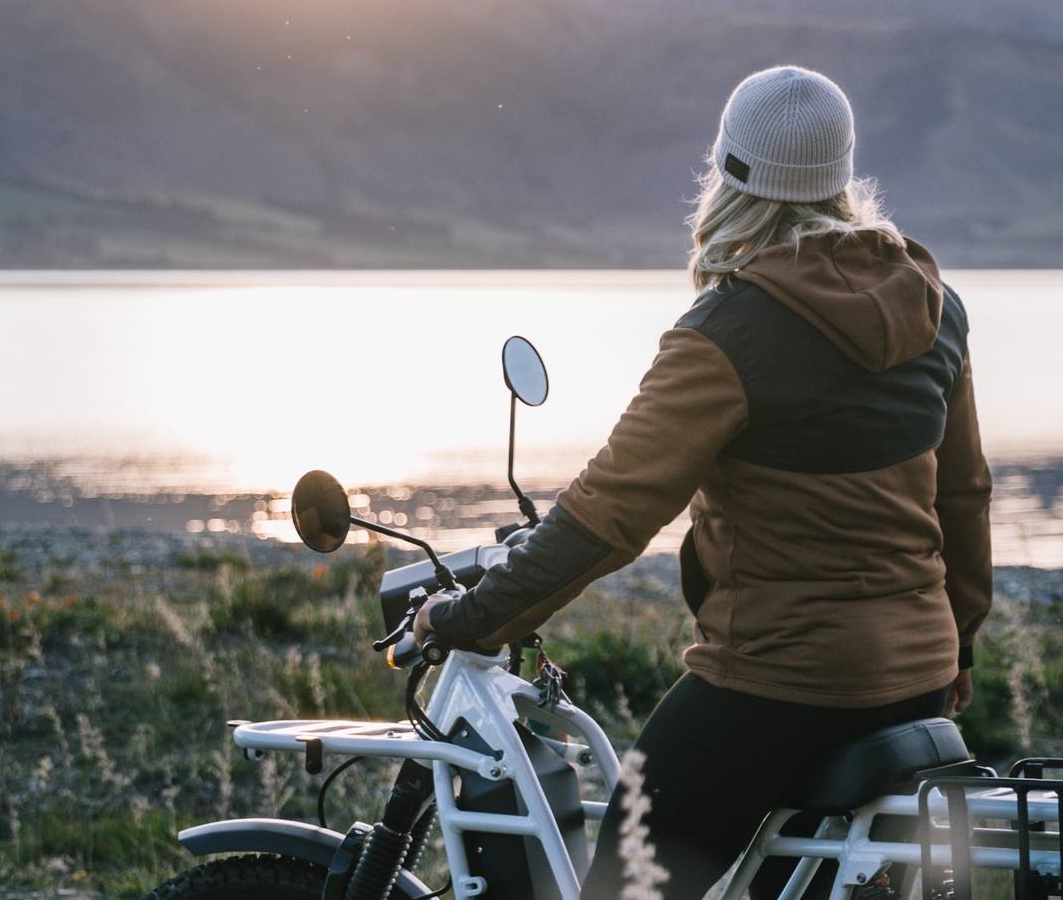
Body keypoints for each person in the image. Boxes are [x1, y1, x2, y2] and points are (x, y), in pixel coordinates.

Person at [415, 64, 992, 900]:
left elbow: (607, 516)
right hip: (918, 679)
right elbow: (963, 495)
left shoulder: (725, 334)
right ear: (843, 178)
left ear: (725, 175)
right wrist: (961, 646)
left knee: (625, 885)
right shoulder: (938, 308)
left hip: (779, 679)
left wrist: (474, 615)